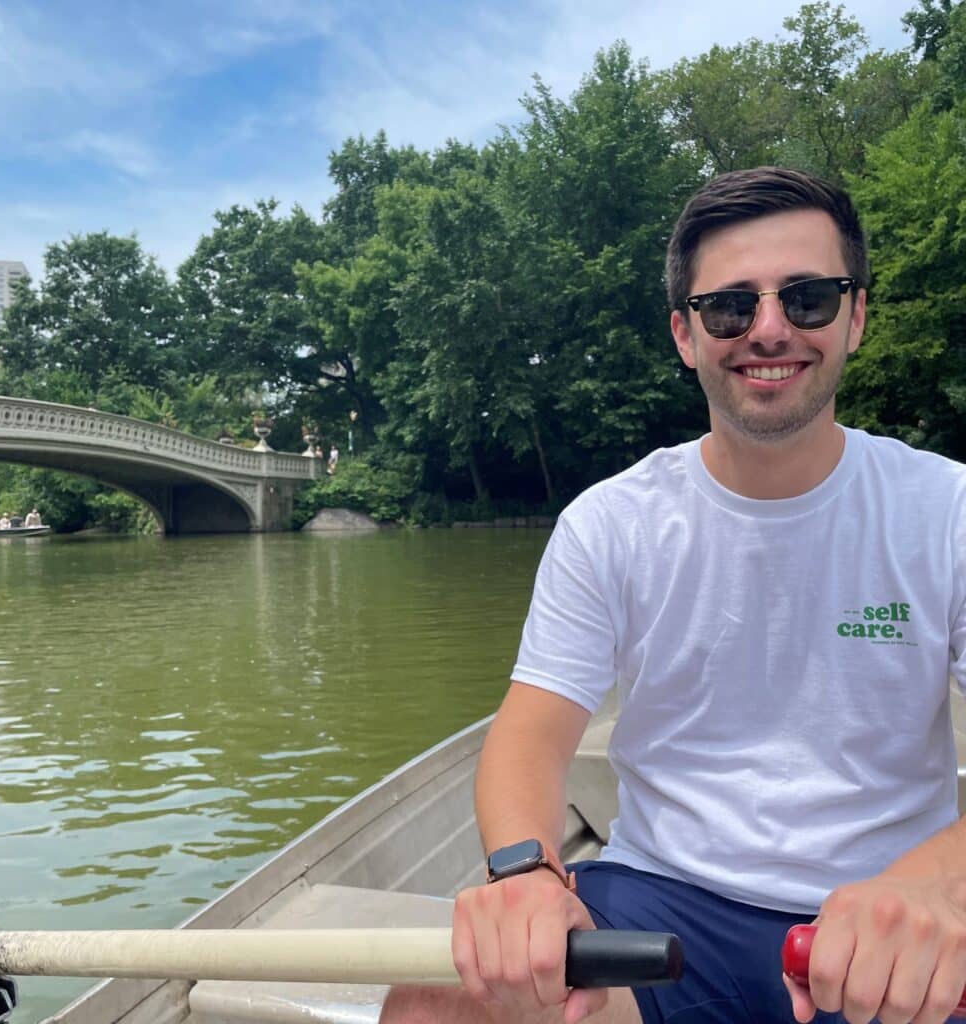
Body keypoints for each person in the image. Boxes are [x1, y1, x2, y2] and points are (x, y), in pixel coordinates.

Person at [381, 166, 966, 1024]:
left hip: (889, 910)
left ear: (857, 317)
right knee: (434, 1005)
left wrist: (932, 890)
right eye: (730, 307)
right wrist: (526, 876)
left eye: (807, 298)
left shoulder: (947, 511)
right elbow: (529, 741)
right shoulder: (609, 523)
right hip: (662, 904)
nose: (769, 329)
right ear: (686, 335)